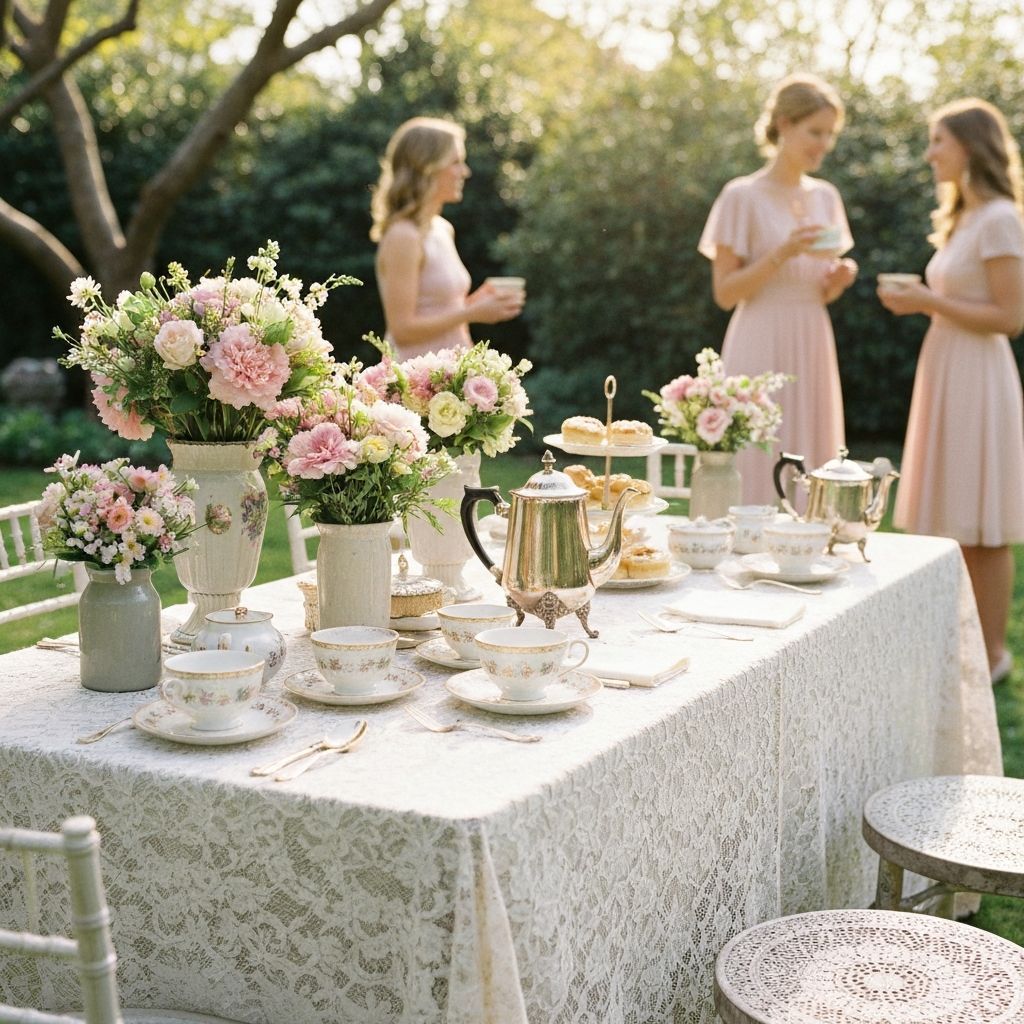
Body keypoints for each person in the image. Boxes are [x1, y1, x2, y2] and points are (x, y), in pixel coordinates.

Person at [879, 98, 1024, 684]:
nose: (930, 153)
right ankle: (952, 643)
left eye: (938, 140)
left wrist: (926, 301)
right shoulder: (962, 218)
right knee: (949, 517)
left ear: (969, 145)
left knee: (982, 525)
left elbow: (1011, 316)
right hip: (945, 366)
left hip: (978, 375)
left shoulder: (1000, 219)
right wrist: (924, 300)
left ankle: (991, 656)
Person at [698, 74, 858, 503]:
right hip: (760, 336)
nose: (823, 144)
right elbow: (726, 294)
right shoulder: (741, 196)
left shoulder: (826, 197)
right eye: (815, 132)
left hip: (813, 334)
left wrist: (836, 283)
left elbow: (819, 288)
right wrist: (782, 253)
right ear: (784, 125)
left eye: (830, 134)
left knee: (813, 444)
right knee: (757, 448)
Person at [370, 117, 523, 359]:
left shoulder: (442, 229)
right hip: (414, 382)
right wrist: (471, 313)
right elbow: (402, 330)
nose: (465, 171)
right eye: (456, 162)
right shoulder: (403, 236)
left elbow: (444, 316)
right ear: (427, 167)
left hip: (450, 376)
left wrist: (475, 305)